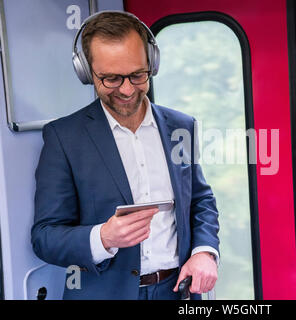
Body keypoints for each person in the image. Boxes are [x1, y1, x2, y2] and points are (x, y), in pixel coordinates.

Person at [31, 11, 220, 300]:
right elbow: (45, 237)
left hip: (176, 292)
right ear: (86, 72)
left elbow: (201, 200)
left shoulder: (182, 127)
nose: (128, 89)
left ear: (152, 65)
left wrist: (204, 252)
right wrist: (102, 238)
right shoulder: (63, 138)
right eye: (111, 79)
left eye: (137, 75)